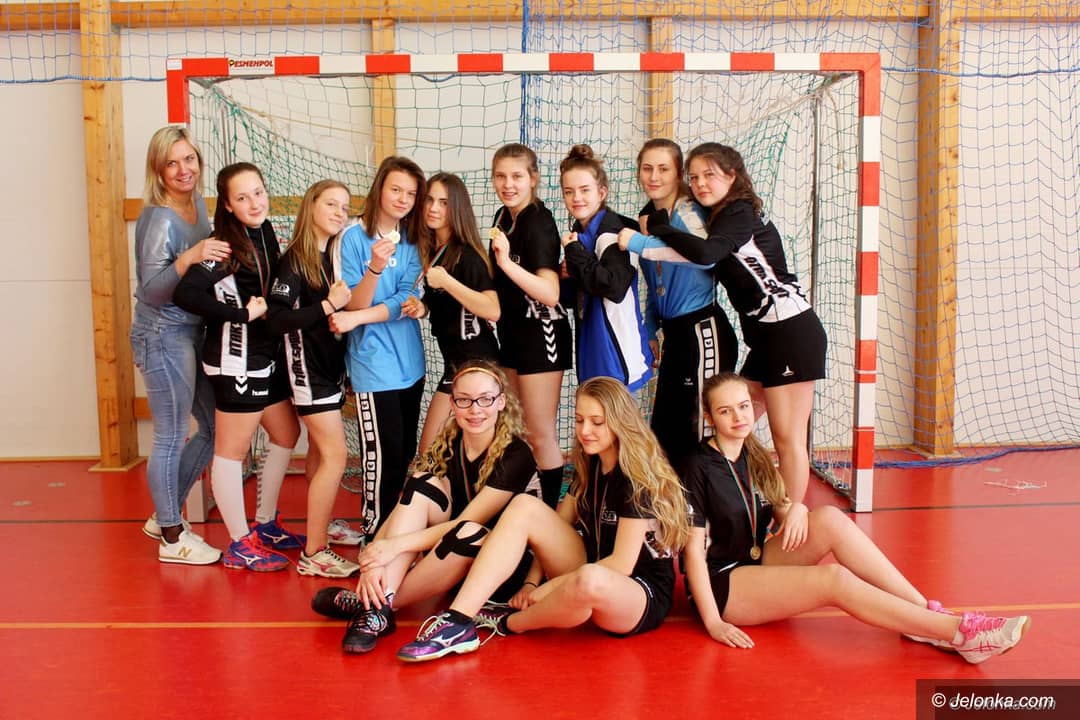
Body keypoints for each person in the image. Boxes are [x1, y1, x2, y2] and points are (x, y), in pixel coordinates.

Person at [682, 372, 1030, 664]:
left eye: (744, 406)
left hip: (758, 559)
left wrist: (797, 508)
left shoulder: (752, 453)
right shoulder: (696, 466)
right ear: (710, 417)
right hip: (724, 584)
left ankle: (924, 612)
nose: (739, 417)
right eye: (726, 411)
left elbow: (779, 504)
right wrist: (713, 622)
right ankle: (958, 633)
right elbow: (693, 554)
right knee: (834, 579)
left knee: (830, 519)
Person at [395, 376, 690, 663]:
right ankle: (459, 621)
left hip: (635, 590)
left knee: (590, 579)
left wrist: (553, 586)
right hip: (588, 568)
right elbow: (550, 531)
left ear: (620, 422)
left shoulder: (636, 479)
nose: (585, 430)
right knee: (525, 506)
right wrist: (531, 583)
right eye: (579, 420)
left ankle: (511, 623)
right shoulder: (591, 465)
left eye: (597, 422)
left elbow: (622, 564)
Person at [632, 143, 828, 549]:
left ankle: (789, 527)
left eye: (711, 175)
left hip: (790, 331)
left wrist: (650, 233)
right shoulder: (717, 217)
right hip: (765, 338)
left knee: (787, 437)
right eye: (696, 177)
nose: (701, 183)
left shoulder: (739, 213)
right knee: (730, 422)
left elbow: (704, 254)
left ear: (732, 176)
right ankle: (734, 502)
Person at [310, 361, 542, 654]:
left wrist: (393, 547)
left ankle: (373, 605)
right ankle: (377, 607)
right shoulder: (451, 441)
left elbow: (466, 523)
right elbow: (406, 505)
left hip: (501, 574)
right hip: (454, 557)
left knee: (468, 531)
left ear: (501, 402)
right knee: (422, 482)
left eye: (485, 399)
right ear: (452, 404)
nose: (475, 409)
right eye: (464, 400)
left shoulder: (516, 454)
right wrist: (374, 560)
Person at [173, 162, 303, 572]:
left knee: (287, 432)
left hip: (265, 357)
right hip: (235, 360)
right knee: (231, 450)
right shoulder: (224, 245)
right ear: (227, 205)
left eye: (258, 193)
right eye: (242, 198)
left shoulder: (264, 231)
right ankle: (238, 543)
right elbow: (185, 293)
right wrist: (240, 315)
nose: (254, 203)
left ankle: (265, 524)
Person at [131, 126, 226, 565]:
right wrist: (189, 257)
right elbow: (152, 291)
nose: (183, 169)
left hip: (193, 332)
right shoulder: (158, 218)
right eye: (172, 163)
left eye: (189, 159)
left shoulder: (199, 204)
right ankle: (172, 537)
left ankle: (163, 515)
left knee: (213, 428)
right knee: (171, 435)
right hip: (161, 335)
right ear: (158, 170)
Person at [618, 139, 738, 471]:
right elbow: (657, 280)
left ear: (679, 173)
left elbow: (705, 257)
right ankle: (675, 500)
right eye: (647, 168)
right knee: (666, 432)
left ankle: (714, 498)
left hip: (703, 331)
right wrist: (650, 328)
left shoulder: (688, 212)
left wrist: (640, 243)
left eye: (663, 169)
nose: (654, 176)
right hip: (675, 334)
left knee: (701, 427)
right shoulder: (648, 217)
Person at [328, 156, 427, 541]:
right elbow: (352, 304)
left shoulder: (414, 240)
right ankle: (375, 537)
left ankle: (394, 537)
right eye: (396, 189)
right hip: (373, 366)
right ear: (380, 189)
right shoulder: (352, 238)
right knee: (380, 460)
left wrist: (360, 318)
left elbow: (405, 299)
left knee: (402, 454)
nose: (403, 199)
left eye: (410, 194)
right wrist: (374, 268)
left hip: (411, 364)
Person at [265, 179, 360, 577]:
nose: (339, 213)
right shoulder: (294, 260)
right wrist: (327, 305)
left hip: (330, 370)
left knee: (321, 455)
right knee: (336, 456)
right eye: (331, 204)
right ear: (311, 206)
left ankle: (323, 525)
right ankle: (314, 552)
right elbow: (276, 319)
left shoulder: (329, 257)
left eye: (345, 207)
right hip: (308, 374)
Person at [487, 143, 573, 508]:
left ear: (533, 179)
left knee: (540, 433)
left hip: (542, 333)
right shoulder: (502, 217)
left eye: (517, 176)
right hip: (512, 333)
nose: (508, 184)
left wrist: (507, 264)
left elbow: (550, 293)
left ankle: (548, 514)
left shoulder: (539, 221)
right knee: (517, 430)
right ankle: (525, 506)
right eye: (501, 176)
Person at [405, 173, 501, 453]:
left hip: (476, 361)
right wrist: (423, 308)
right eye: (430, 200)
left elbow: (492, 309)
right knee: (450, 450)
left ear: (456, 208)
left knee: (429, 450)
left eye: (444, 202)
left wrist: (447, 281)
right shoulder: (434, 251)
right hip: (455, 361)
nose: (434, 208)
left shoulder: (467, 255)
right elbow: (445, 304)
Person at [559, 144, 653, 393]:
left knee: (618, 416)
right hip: (592, 346)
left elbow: (613, 287)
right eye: (569, 192)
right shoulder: (579, 234)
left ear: (601, 192)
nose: (576, 198)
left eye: (584, 190)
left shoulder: (613, 233)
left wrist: (575, 254)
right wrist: (564, 275)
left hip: (616, 350)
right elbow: (576, 296)